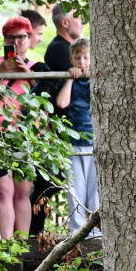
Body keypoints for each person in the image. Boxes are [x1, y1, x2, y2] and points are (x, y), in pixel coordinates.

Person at [29, 3, 84, 236]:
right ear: (65, 22)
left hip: (71, 125)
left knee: (52, 181)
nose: (82, 23)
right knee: (49, 182)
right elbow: (82, 77)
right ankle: (32, 231)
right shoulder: (59, 49)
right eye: (79, 19)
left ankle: (33, 230)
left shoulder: (64, 47)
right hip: (60, 126)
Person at [0, 16, 37, 239]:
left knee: (23, 191)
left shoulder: (36, 67)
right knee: (3, 190)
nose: (16, 42)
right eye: (10, 37)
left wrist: (28, 76)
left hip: (24, 135)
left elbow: (46, 97)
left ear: (29, 39)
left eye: (21, 37)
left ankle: (22, 243)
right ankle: (6, 243)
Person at [55, 38, 100, 236]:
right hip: (72, 143)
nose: (82, 62)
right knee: (75, 188)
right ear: (71, 59)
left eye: (86, 58)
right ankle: (77, 231)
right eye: (78, 57)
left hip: (94, 142)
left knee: (95, 189)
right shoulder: (69, 80)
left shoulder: (96, 78)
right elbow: (62, 103)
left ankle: (96, 230)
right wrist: (70, 79)